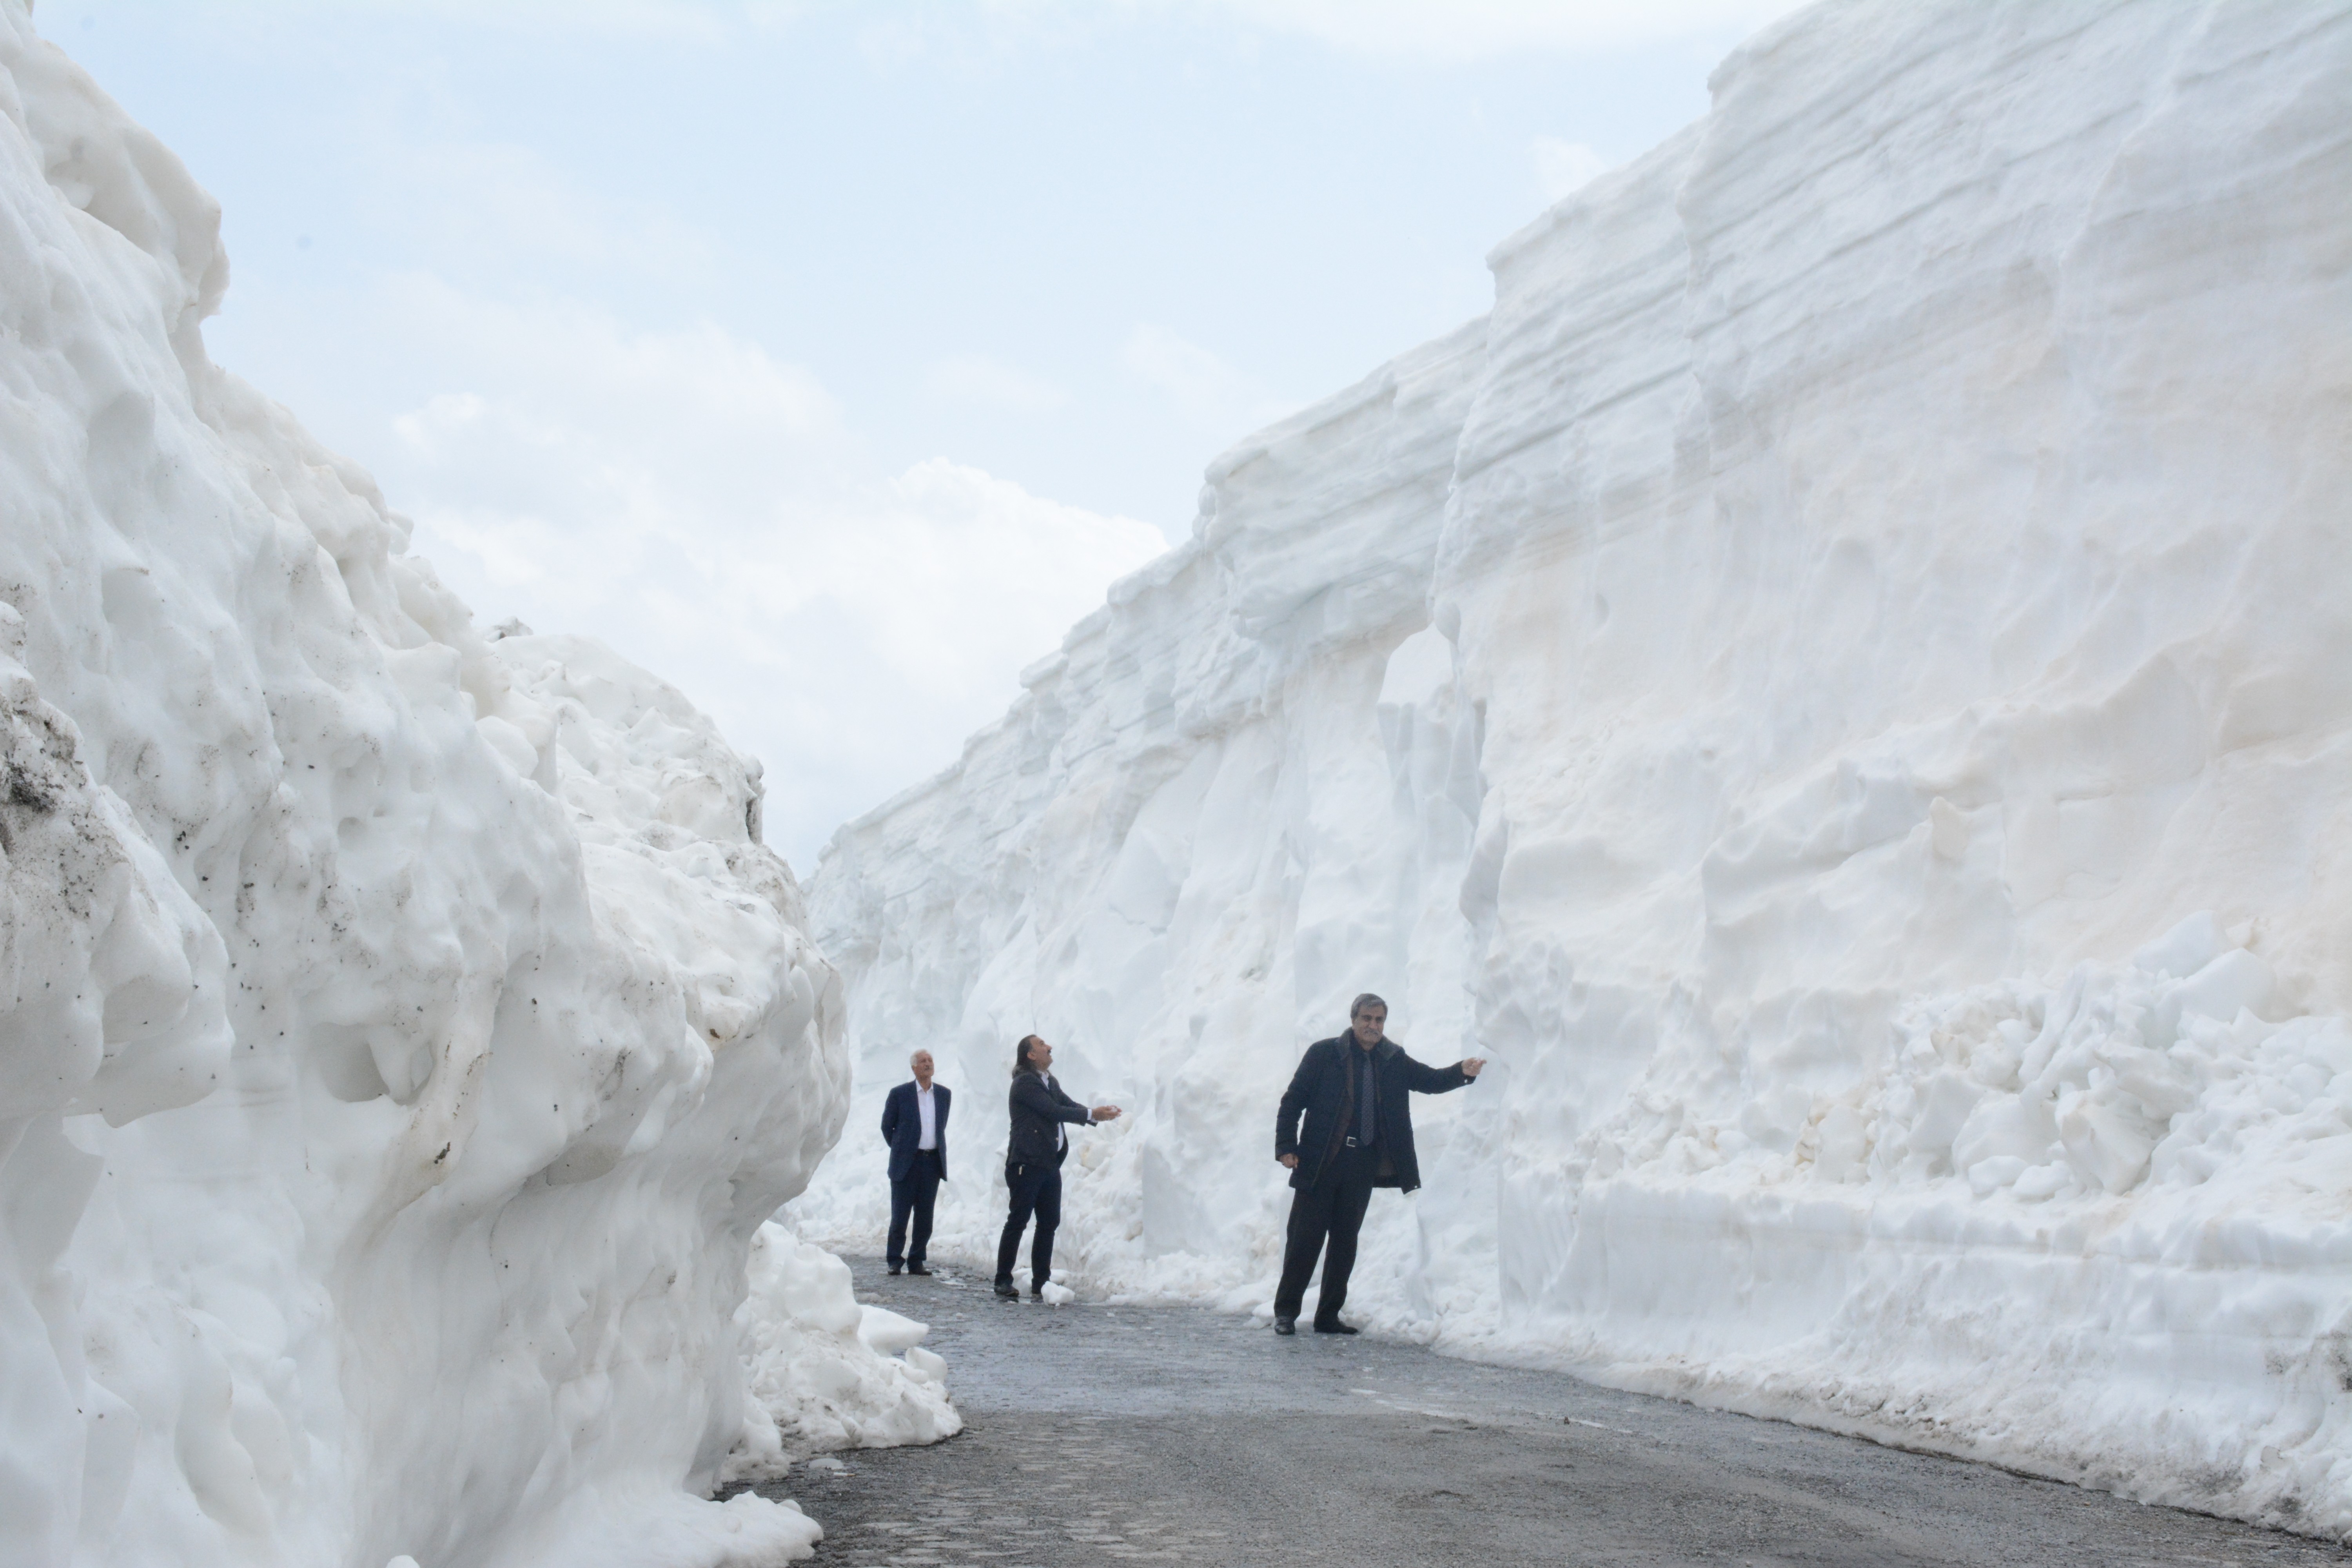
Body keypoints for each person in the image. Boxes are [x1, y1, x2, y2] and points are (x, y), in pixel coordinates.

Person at [1271, 994, 1484, 1336]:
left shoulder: (1392, 1058)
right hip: (1321, 1161)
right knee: (1304, 1241)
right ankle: (1286, 1313)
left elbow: (1428, 1081)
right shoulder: (1324, 1054)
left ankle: (1328, 1317)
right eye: (1367, 1019)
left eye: (1379, 1020)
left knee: (1345, 1243)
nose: (1373, 1026)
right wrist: (1286, 1147)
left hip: (1361, 1164)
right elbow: (1292, 1102)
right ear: (1353, 1019)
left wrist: (1462, 1072)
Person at [996, 1034, 1120, 1301]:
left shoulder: (1048, 1081)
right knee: (1018, 1221)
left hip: (1048, 1164)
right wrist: (1091, 1115)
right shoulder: (1025, 1083)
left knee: (1049, 1223)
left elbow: (1066, 1104)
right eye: (1042, 1045)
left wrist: (1094, 1114)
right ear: (1031, 1055)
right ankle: (1003, 1280)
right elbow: (1052, 1111)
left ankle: (1042, 1281)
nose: (1049, 1047)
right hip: (1026, 1164)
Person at [880, 1050, 949, 1276]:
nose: (928, 1064)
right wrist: (902, 1149)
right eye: (923, 1062)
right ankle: (894, 1260)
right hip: (907, 1164)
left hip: (932, 1162)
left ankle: (917, 1260)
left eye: (930, 1060)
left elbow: (941, 1126)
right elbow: (886, 1127)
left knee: (925, 1216)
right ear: (914, 1068)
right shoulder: (900, 1094)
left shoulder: (944, 1095)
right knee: (900, 1215)